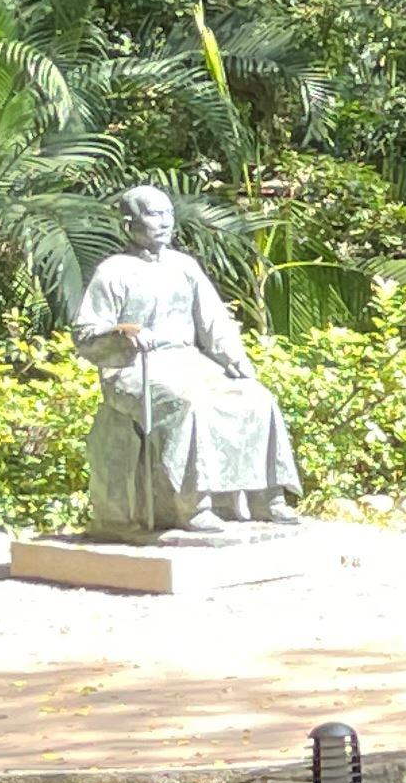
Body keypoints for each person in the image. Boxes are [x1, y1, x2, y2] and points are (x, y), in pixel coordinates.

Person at [75, 183, 299, 534]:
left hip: (191, 364)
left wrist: (237, 362)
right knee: (189, 405)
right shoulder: (113, 271)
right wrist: (123, 334)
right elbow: (86, 335)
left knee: (258, 399)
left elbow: (214, 322)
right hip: (135, 369)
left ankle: (267, 497)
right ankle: (193, 506)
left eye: (168, 213)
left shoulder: (185, 267)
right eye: (154, 214)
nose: (165, 222)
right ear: (129, 224)